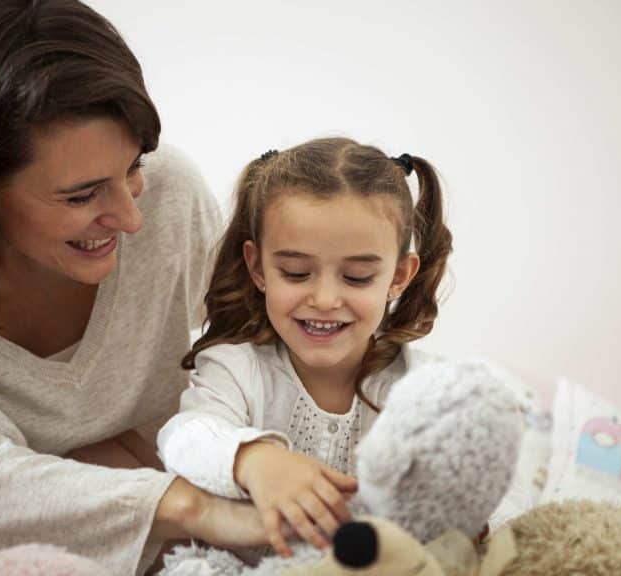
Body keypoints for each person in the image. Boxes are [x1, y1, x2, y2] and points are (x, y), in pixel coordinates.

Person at [0, 1, 268, 574]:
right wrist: (199, 510)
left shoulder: (168, 195)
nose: (131, 218)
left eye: (133, 167)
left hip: (104, 504)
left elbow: (253, 350)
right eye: (81, 196)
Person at [157, 138, 454, 557]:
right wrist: (253, 459)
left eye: (356, 277)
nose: (324, 299)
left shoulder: (424, 388)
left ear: (399, 276)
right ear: (258, 267)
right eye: (296, 273)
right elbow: (182, 439)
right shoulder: (236, 368)